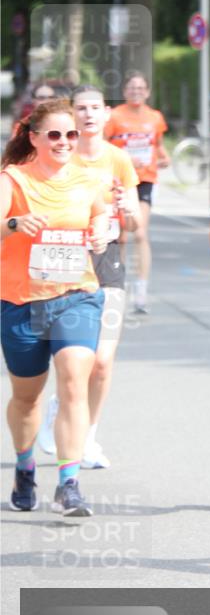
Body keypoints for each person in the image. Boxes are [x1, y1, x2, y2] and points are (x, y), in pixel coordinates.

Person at [1, 99, 109, 517]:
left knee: (74, 381)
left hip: (76, 295)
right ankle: (25, 466)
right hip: (20, 302)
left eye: (71, 134)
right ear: (34, 138)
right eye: (54, 135)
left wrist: (100, 232)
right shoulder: (13, 179)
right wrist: (13, 224)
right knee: (26, 399)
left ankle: (69, 483)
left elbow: (101, 217)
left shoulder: (89, 178)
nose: (64, 141)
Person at [36, 85, 141, 469]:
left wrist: (127, 210)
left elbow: (136, 224)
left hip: (106, 259)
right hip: (63, 260)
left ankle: (89, 437)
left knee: (101, 361)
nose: (89, 114)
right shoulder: (58, 154)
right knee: (71, 359)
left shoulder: (119, 159)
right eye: (81, 108)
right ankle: (61, 404)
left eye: (96, 107)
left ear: (107, 113)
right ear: (72, 115)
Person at [104, 72, 169, 314]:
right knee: (121, 237)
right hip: (119, 181)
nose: (136, 92)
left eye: (141, 88)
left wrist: (164, 157)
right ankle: (117, 286)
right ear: (124, 92)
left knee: (140, 232)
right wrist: (124, 159)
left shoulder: (155, 117)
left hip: (145, 180)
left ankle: (141, 292)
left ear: (148, 92)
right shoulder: (115, 116)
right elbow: (103, 144)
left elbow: (158, 145)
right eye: (132, 88)